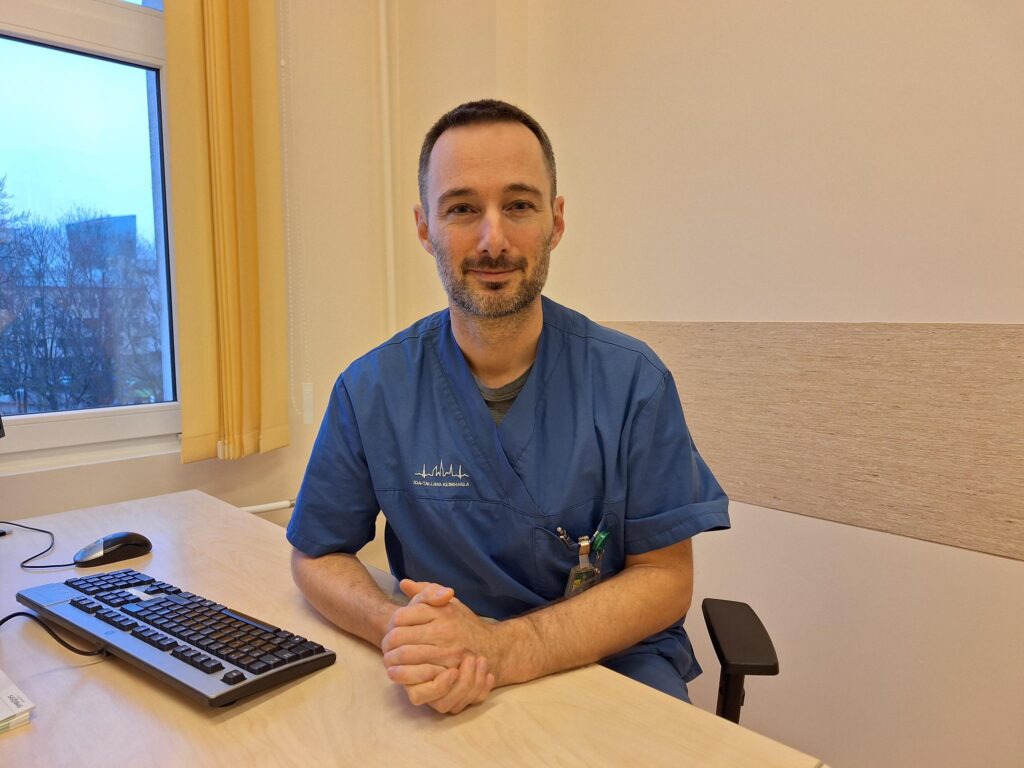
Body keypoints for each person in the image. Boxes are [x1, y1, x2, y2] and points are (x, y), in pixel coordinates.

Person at [287, 99, 729, 715]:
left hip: (612, 664)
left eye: (519, 205)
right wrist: (397, 628)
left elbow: (665, 579)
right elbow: (317, 552)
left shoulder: (634, 382)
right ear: (424, 228)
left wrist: (502, 649)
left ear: (556, 220)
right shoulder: (372, 390)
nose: (493, 239)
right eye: (463, 208)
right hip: (445, 678)